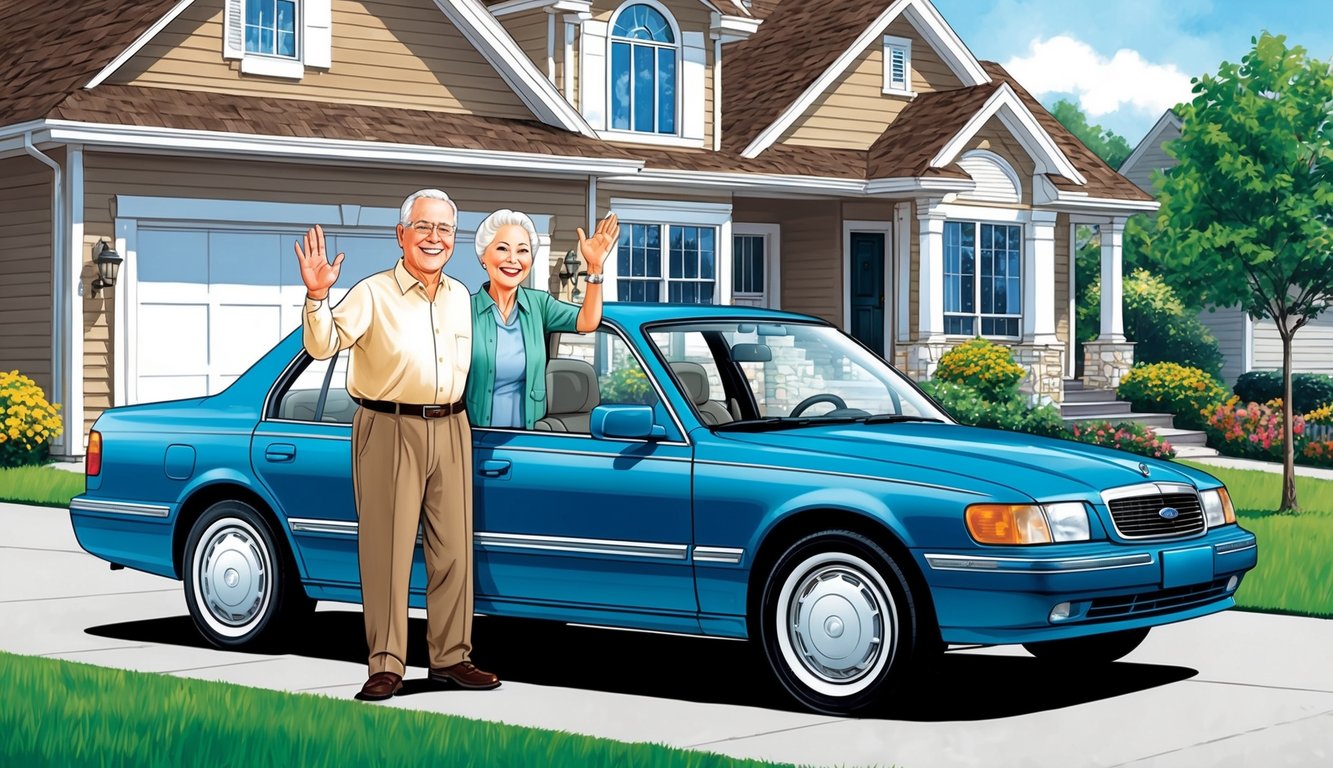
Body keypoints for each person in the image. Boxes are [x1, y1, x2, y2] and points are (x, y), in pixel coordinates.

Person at [296, 189, 500, 701]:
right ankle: (386, 665)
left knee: (453, 550)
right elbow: (321, 346)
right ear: (401, 235)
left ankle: (451, 658)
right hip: (389, 427)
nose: (435, 238)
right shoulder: (373, 293)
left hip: (452, 427)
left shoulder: (459, 297)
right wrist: (317, 296)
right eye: (424, 228)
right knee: (386, 551)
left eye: (445, 230)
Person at [466, 209, 619, 429]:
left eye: (523, 251)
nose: (513, 259)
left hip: (529, 439)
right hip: (478, 439)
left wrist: (595, 267)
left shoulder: (540, 305)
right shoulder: (464, 309)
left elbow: (587, 320)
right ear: (483, 257)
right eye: (502, 248)